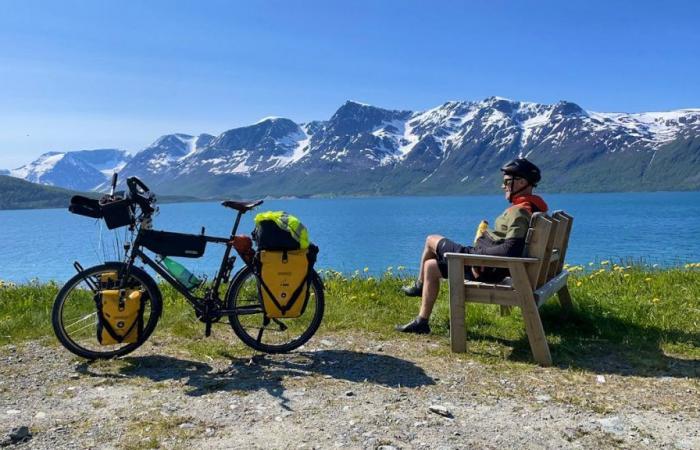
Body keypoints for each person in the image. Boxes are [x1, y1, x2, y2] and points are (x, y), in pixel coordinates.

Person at [396, 158, 548, 334]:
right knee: (431, 266)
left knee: (431, 240)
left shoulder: (521, 211)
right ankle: (422, 321)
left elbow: (511, 249)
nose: (503, 186)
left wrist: (479, 256)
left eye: (507, 182)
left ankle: (419, 286)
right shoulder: (533, 207)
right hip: (488, 264)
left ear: (521, 182)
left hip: (483, 265)